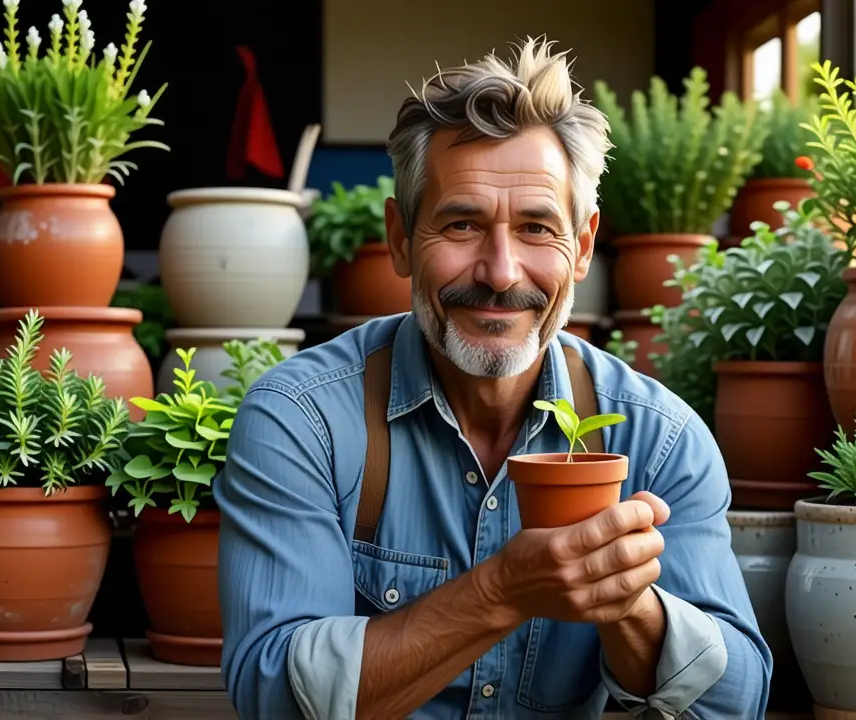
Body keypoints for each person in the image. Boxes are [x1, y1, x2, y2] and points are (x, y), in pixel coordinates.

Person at [215, 37, 772, 720]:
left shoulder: (660, 439)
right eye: (461, 224)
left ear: (584, 247)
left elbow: (735, 701)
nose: (501, 272)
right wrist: (502, 590)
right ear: (399, 238)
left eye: (538, 228)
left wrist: (624, 600)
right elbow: (273, 694)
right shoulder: (302, 420)